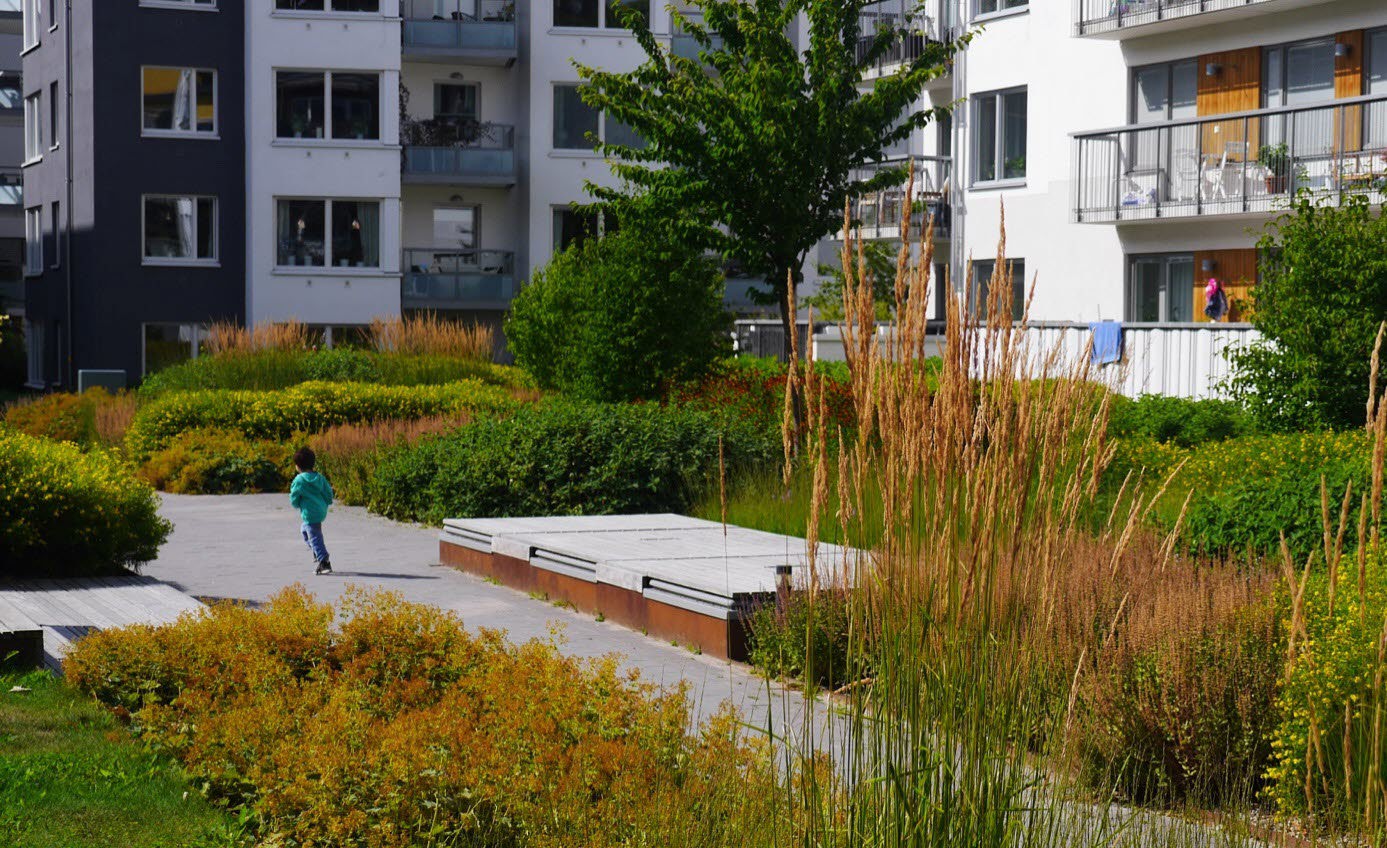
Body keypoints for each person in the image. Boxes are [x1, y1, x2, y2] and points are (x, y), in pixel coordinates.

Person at [289, 447, 334, 576]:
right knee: (304, 530)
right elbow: (328, 492)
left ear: (298, 466)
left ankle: (324, 562)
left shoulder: (299, 480)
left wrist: (296, 503)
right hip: (320, 510)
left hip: (309, 513)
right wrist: (327, 502)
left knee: (314, 537)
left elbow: (294, 496)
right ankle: (316, 550)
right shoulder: (320, 478)